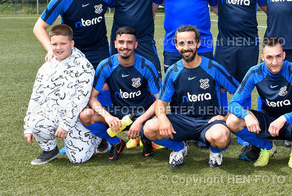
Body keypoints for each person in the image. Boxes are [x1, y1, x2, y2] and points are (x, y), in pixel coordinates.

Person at [142, 25, 239, 168]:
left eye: (190, 43)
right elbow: (161, 104)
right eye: (181, 43)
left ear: (198, 43)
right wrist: (162, 118)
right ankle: (178, 147)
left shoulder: (213, 67)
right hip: (181, 122)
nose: (186, 48)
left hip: (209, 121)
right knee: (149, 128)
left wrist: (226, 117)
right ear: (176, 45)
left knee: (222, 136)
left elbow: (239, 92)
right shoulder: (173, 72)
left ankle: (215, 151)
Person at [212, 0, 268, 161]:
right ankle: (222, 124)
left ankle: (243, 131)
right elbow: (212, 3)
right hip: (225, 44)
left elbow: (267, 9)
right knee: (222, 86)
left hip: (249, 45)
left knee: (244, 86)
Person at [226, 37, 292, 169]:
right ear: (262, 57)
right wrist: (247, 115)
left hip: (291, 121)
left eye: (278, 56)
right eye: (269, 57)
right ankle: (267, 147)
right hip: (267, 121)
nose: (275, 62)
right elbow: (233, 103)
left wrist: (284, 118)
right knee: (232, 121)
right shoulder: (255, 72)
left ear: (284, 55)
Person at [79, 27, 161, 162]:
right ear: (115, 44)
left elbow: (160, 100)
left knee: (161, 121)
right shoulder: (106, 65)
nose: (125, 46)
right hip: (119, 113)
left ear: (135, 45)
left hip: (143, 113)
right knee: (85, 115)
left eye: (129, 42)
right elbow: (92, 98)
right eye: (121, 42)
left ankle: (146, 140)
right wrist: (108, 116)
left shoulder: (147, 66)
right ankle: (116, 143)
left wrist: (140, 121)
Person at [24, 25, 100, 164]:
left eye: (63, 43)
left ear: (72, 43)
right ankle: (50, 150)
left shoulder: (84, 65)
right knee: (35, 122)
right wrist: (28, 127)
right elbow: (36, 97)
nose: (58, 47)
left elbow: (80, 99)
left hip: (75, 117)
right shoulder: (46, 68)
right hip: (54, 113)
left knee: (78, 159)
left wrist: (66, 124)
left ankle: (97, 137)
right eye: (54, 44)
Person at [35, 0, 115, 70]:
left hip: (99, 50)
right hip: (72, 51)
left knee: (104, 85)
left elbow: (124, 5)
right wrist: (50, 49)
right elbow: (38, 27)